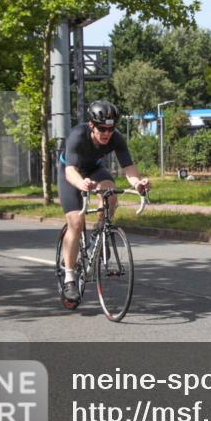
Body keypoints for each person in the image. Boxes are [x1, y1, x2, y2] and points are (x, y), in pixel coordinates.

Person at [58, 100, 149, 303]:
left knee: (111, 194)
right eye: (102, 129)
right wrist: (81, 183)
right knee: (76, 222)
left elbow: (128, 167)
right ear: (92, 125)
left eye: (111, 128)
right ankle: (69, 278)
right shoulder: (78, 135)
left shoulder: (116, 138)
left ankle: (98, 235)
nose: (107, 133)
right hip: (71, 172)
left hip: (94, 169)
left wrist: (138, 183)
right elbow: (70, 171)